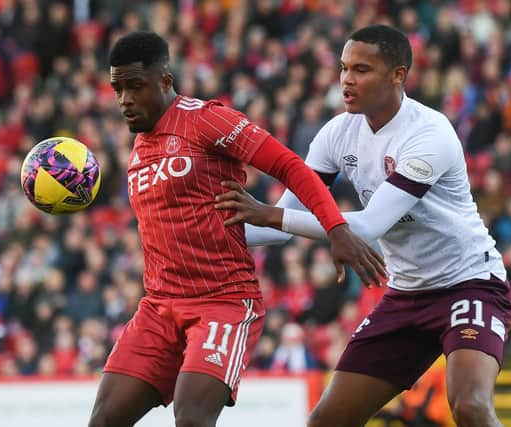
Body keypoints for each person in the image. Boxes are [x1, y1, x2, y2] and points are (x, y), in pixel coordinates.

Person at [214, 24, 511, 427]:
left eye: (361, 69)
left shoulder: (430, 133)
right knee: (326, 420)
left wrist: (270, 213)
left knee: (471, 407)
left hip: (470, 282)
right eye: (343, 68)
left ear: (398, 74)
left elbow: (369, 225)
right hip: (406, 295)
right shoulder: (337, 134)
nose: (347, 80)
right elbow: (277, 227)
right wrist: (203, 234)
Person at [88, 31, 385, 427]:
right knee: (104, 420)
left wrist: (335, 228)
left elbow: (289, 166)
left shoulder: (206, 120)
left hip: (222, 303)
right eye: (117, 89)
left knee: (192, 418)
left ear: (165, 80)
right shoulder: (141, 145)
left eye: (135, 87)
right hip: (158, 307)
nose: (124, 99)